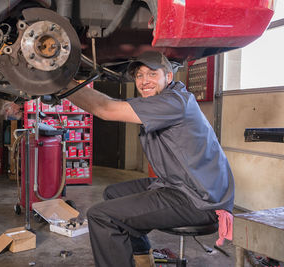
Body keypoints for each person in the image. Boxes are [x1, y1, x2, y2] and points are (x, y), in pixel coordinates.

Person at [66, 51, 234, 267]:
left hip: (199, 199)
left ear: (169, 77)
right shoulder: (164, 100)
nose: (144, 81)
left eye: (152, 74)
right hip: (179, 186)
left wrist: (60, 84)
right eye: (139, 76)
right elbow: (114, 104)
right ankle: (143, 258)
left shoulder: (175, 103)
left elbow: (105, 109)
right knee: (113, 193)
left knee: (101, 216)